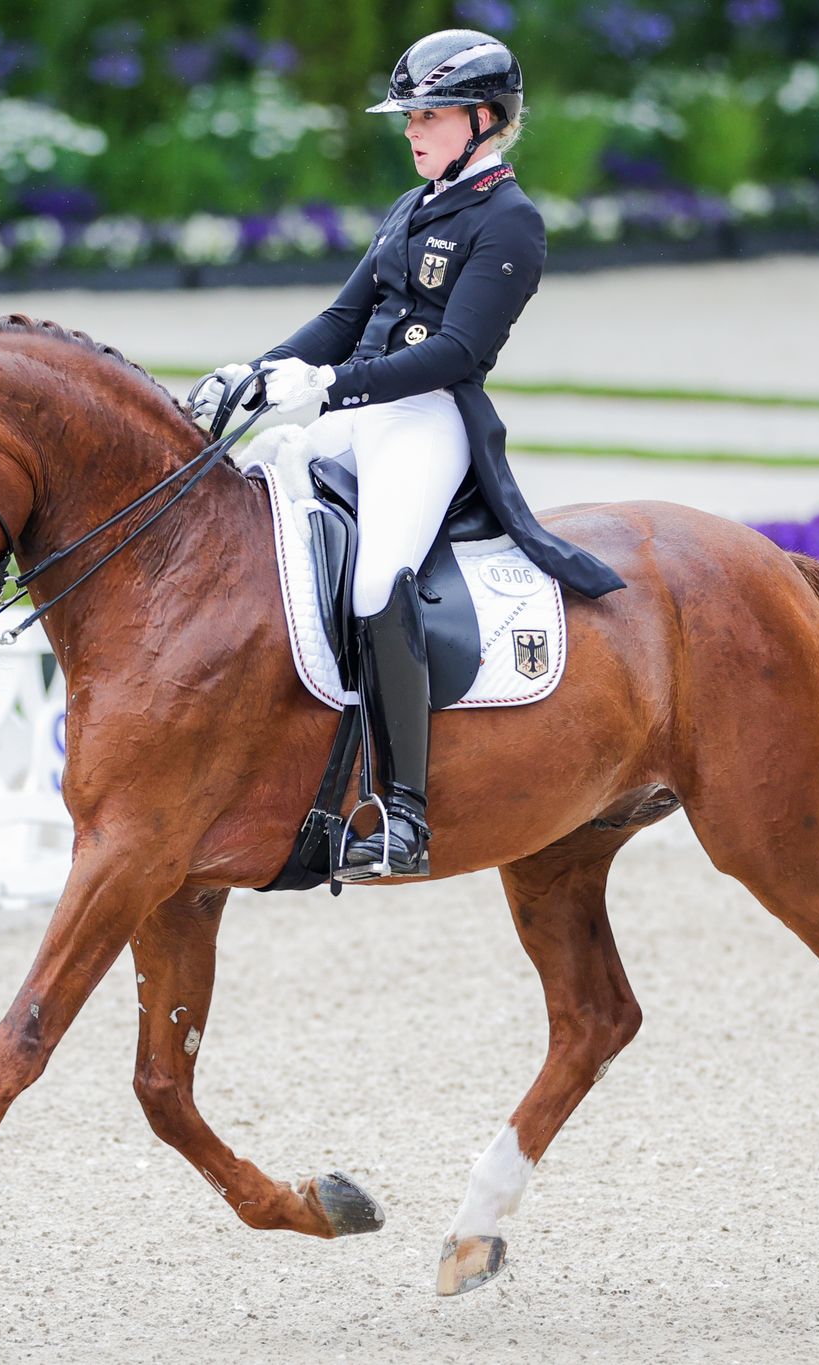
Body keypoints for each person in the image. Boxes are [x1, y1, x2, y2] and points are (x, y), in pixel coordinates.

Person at [193, 29, 626, 881]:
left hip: (426, 419)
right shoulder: (412, 204)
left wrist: (329, 390)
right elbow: (339, 320)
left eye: (426, 115)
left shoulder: (511, 221)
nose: (411, 130)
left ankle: (404, 811)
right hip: (357, 408)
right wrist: (260, 372)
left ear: (481, 118)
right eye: (410, 116)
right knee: (251, 507)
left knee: (376, 575)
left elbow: (457, 351)